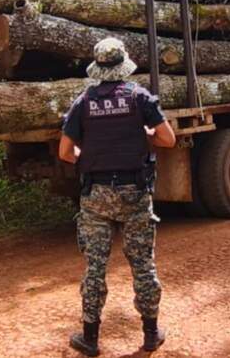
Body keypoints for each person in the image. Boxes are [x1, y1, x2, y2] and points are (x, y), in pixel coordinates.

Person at [59, 37, 176, 356]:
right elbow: (168, 139)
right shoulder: (140, 98)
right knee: (142, 264)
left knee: (95, 266)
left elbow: (65, 152)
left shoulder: (83, 102)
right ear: (123, 64)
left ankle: (90, 338)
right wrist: (148, 134)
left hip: (96, 196)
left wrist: (84, 152)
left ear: (98, 68)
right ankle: (151, 335)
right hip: (135, 194)